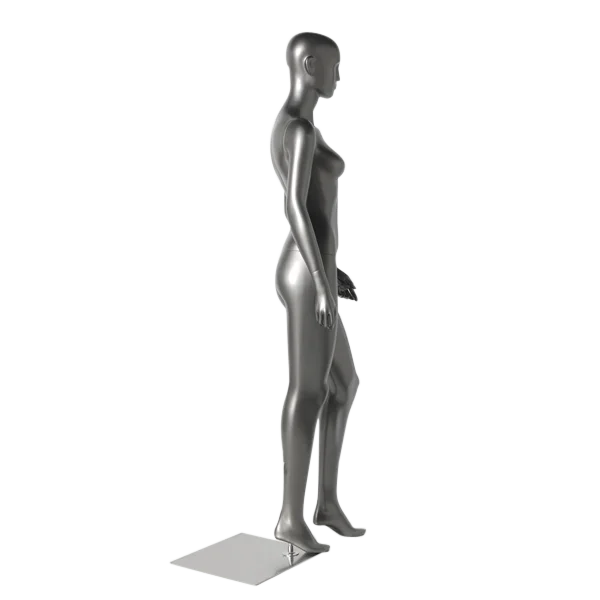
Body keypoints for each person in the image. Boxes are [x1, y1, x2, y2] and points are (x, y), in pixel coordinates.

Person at [270, 31, 367, 554]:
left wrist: (335, 270)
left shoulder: (296, 124)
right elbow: (295, 207)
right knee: (308, 390)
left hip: (317, 270)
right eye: (334, 65)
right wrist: (321, 277)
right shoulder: (300, 129)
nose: (338, 75)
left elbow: (315, 208)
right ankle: (291, 516)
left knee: (343, 384)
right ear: (309, 65)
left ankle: (326, 503)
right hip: (307, 274)